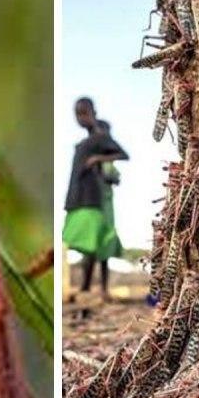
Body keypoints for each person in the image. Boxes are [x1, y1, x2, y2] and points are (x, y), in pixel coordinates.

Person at [62, 97, 129, 302]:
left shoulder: (101, 136)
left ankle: (86, 289)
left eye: (83, 113)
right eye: (77, 114)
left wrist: (97, 159)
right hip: (78, 196)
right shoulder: (85, 141)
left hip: (92, 197)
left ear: (93, 112)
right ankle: (85, 289)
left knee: (92, 245)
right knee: (82, 243)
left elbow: (123, 154)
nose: (80, 118)